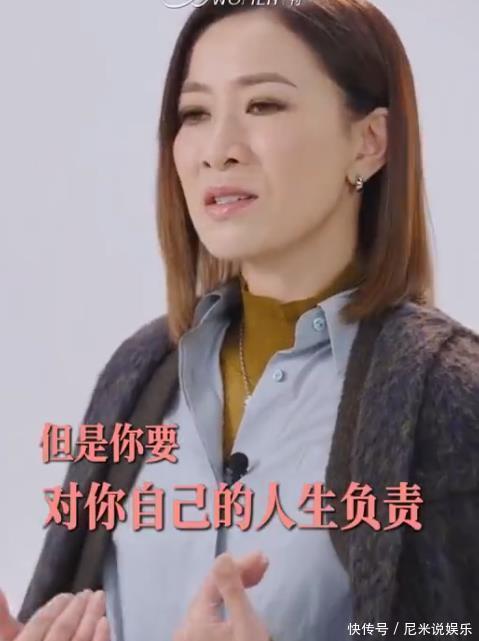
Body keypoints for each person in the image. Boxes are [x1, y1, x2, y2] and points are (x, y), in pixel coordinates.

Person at [2, 0, 479, 640]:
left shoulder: (450, 395)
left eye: (263, 105)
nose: (218, 150)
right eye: (195, 114)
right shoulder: (141, 372)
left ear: (369, 142)